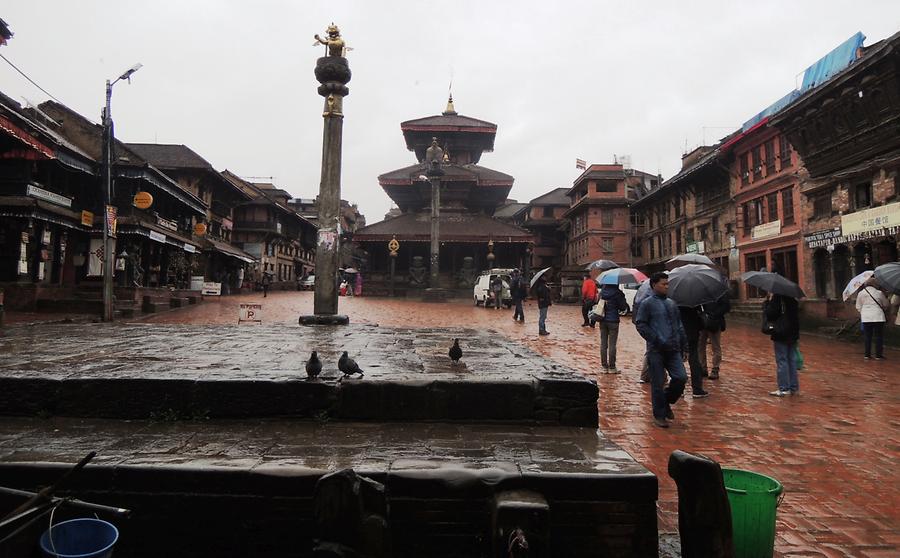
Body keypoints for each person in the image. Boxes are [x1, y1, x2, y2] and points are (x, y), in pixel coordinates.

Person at [634, 272, 688, 428]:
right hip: (656, 349)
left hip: (673, 348)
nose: (666, 286)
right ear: (654, 285)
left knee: (681, 378)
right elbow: (641, 324)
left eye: (667, 284)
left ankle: (666, 400)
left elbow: (679, 325)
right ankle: (659, 415)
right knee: (657, 383)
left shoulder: (671, 303)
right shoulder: (647, 304)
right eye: (663, 284)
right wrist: (656, 339)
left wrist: (684, 345)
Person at [764, 291, 800, 396]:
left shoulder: (777, 298)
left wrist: (768, 302)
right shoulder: (792, 298)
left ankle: (784, 388)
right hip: (792, 333)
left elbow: (770, 314)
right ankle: (794, 387)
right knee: (791, 360)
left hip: (781, 333)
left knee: (782, 360)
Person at [678, 305, 709, 398]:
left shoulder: (673, 302)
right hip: (692, 334)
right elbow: (701, 320)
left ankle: (679, 389)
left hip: (679, 334)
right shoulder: (695, 303)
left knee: (678, 361)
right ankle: (697, 389)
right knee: (694, 360)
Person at [698, 293, 731, 379]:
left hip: (715, 322)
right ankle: (702, 368)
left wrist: (713, 314)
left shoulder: (720, 292)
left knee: (715, 346)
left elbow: (726, 307)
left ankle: (715, 368)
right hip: (702, 322)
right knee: (700, 346)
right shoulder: (700, 292)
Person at [597, 283, 628, 373]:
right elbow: (623, 307)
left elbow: (597, 302)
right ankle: (612, 367)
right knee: (612, 344)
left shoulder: (602, 292)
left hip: (602, 319)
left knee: (603, 344)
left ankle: (604, 366)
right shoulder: (618, 293)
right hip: (613, 320)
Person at [856, 279, 889, 360]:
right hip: (878, 316)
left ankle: (867, 354)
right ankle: (878, 355)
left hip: (866, 317)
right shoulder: (879, 293)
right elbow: (885, 304)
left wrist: (863, 312)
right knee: (879, 336)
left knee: (867, 336)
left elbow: (858, 306)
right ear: (875, 284)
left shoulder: (860, 293)